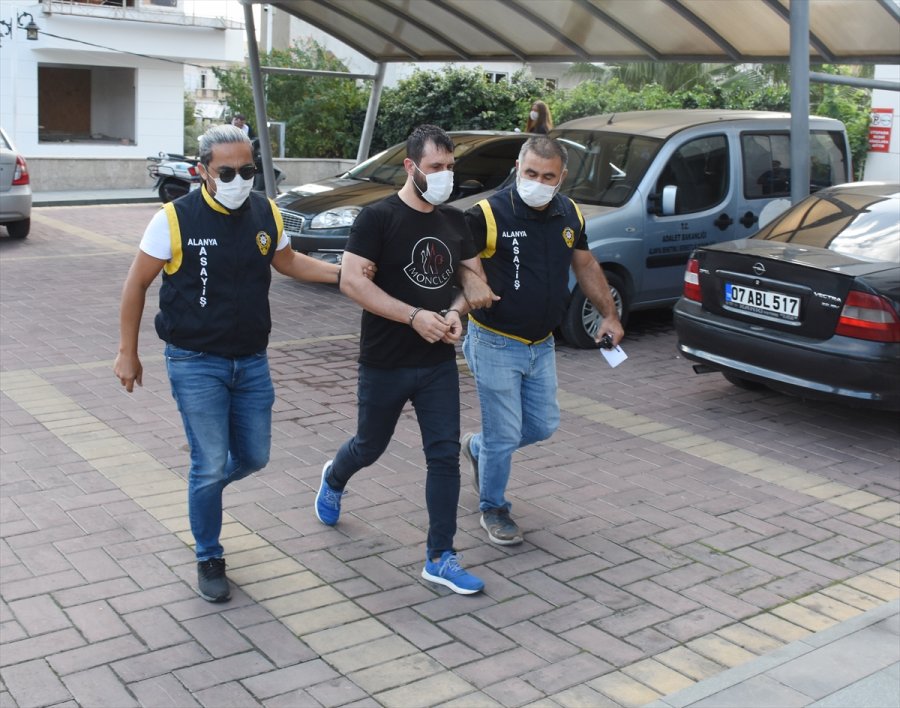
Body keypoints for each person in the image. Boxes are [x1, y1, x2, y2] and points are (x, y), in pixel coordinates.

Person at [114, 124, 343, 603]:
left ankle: (205, 483)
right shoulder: (173, 219)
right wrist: (127, 352)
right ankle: (208, 554)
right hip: (195, 360)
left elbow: (289, 262)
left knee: (254, 456)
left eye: (247, 170)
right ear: (203, 171)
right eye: (227, 172)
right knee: (210, 462)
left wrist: (343, 275)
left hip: (251, 360)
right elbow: (136, 284)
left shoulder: (265, 211)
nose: (239, 180)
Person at [314, 124, 494, 595]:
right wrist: (413, 316)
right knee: (369, 446)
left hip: (436, 363)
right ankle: (335, 477)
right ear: (411, 167)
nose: (445, 175)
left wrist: (454, 313)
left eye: (450, 166)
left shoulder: (456, 221)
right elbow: (352, 282)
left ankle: (440, 556)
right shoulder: (377, 218)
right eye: (436, 167)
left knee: (444, 456)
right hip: (385, 360)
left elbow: (473, 282)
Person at [460, 136, 624, 546]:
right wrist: (466, 284)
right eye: (530, 173)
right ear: (518, 168)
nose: (537, 182)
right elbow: (457, 261)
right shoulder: (487, 213)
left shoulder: (569, 213)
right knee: (504, 433)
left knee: (543, 424)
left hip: (542, 343)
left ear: (561, 177)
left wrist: (609, 314)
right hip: (495, 341)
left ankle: (480, 448)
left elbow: (585, 264)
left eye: (547, 177)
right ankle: (493, 508)